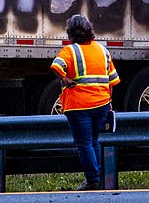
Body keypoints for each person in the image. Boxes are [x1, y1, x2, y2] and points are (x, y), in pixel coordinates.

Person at [50, 14, 120, 191]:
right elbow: (112, 80)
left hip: (79, 105)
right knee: (94, 141)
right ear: (90, 30)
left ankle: (92, 180)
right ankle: (96, 177)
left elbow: (56, 66)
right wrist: (108, 102)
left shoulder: (70, 50)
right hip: (102, 103)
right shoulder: (103, 50)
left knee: (84, 143)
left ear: (70, 33)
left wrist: (65, 79)